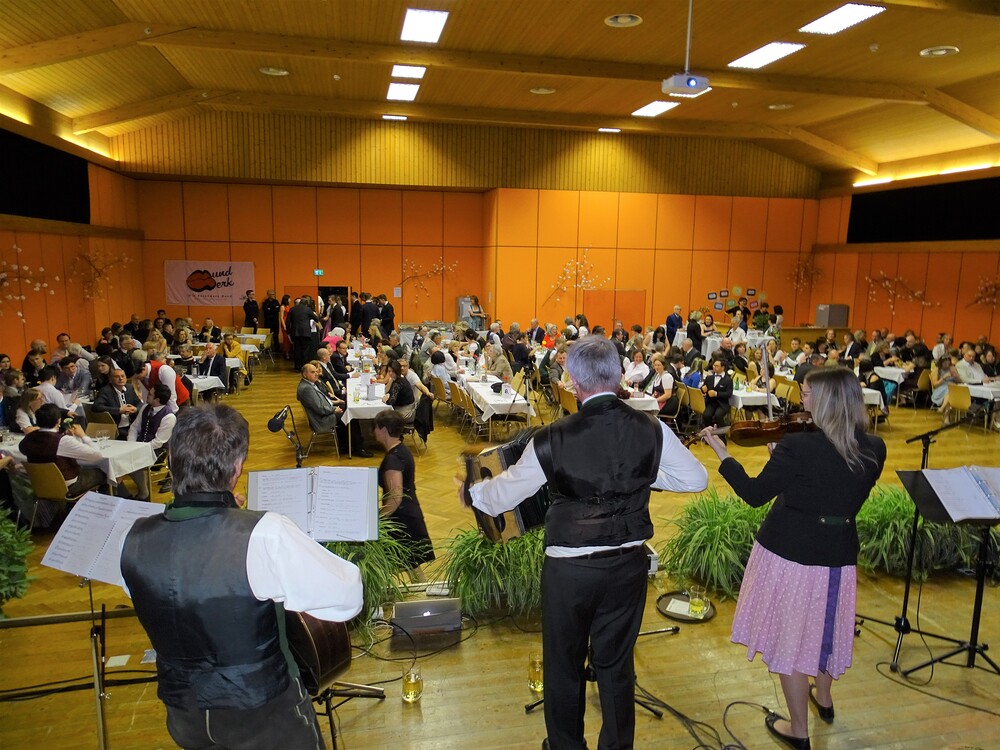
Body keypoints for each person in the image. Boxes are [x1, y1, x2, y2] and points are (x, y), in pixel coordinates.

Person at [464, 336, 708, 750]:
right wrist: (642, 477)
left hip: (570, 570)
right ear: (618, 375)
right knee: (616, 667)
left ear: (573, 382)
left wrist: (473, 492)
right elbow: (695, 478)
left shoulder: (552, 437)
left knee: (564, 666)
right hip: (628, 566)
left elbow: (502, 497)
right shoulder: (652, 428)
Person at [119, 404, 363, 750]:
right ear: (237, 468)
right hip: (262, 712)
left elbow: (178, 594)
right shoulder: (265, 535)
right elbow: (347, 596)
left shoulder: (133, 537)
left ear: (171, 458)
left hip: (184, 712)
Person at [699, 367, 886, 750]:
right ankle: (824, 698)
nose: (800, 399)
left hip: (791, 555)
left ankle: (798, 730)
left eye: (807, 393)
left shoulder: (798, 447)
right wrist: (787, 466)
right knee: (825, 629)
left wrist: (722, 453)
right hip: (838, 555)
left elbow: (754, 494)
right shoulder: (874, 447)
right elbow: (833, 487)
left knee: (792, 640)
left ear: (827, 400)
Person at [373, 410, 435, 581]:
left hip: (401, 521)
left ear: (383, 430)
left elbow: (395, 498)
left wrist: (377, 519)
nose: (374, 431)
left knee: (391, 566)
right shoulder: (403, 450)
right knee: (412, 568)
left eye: (376, 427)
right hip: (409, 513)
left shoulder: (392, 460)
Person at [19, 403, 107, 495]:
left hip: (41, 484)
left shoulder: (29, 438)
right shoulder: (62, 441)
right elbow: (97, 455)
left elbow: (23, 449)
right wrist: (83, 435)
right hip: (67, 486)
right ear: (59, 420)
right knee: (104, 472)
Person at [92, 369, 142, 439]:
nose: (121, 378)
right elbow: (96, 407)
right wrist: (119, 410)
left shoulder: (129, 388)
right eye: (117, 376)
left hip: (131, 425)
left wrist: (136, 409)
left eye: (122, 376)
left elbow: (139, 403)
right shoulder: (105, 391)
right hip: (116, 427)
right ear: (111, 379)